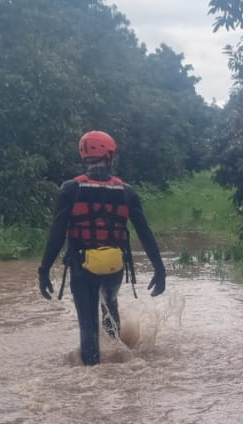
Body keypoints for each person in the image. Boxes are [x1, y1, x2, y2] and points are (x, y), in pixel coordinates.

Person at [38, 130, 166, 366]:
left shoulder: (70, 189)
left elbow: (56, 234)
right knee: (110, 309)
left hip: (81, 266)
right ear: (109, 155)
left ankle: (92, 378)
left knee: (88, 325)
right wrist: (159, 269)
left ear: (85, 156)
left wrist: (44, 270)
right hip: (114, 266)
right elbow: (144, 232)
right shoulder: (126, 191)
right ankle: (119, 360)